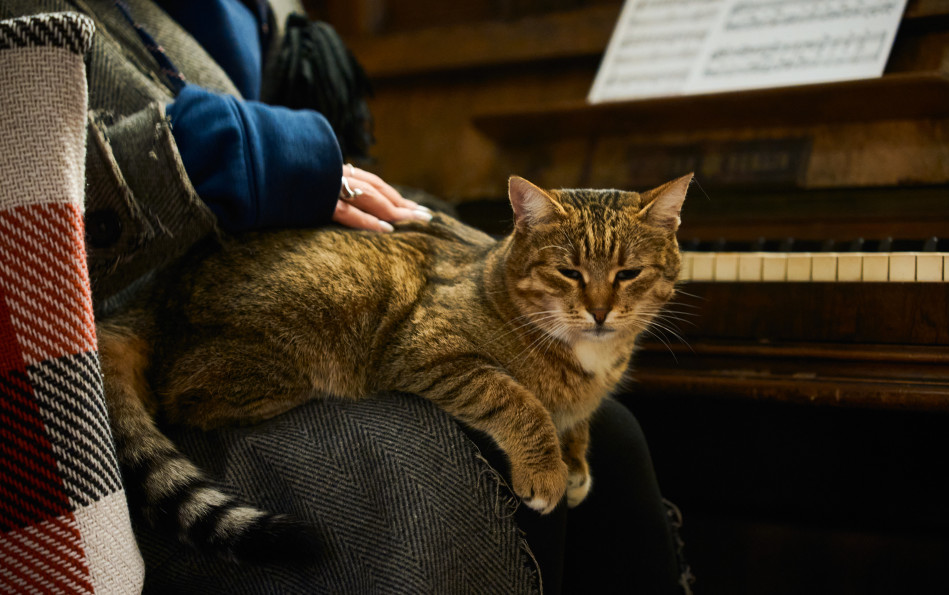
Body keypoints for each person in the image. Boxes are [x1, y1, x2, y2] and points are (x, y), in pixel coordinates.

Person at [0, 0, 690, 592]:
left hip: (276, 284)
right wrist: (239, 154)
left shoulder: (262, 16)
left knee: (615, 438)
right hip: (133, 333)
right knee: (462, 462)